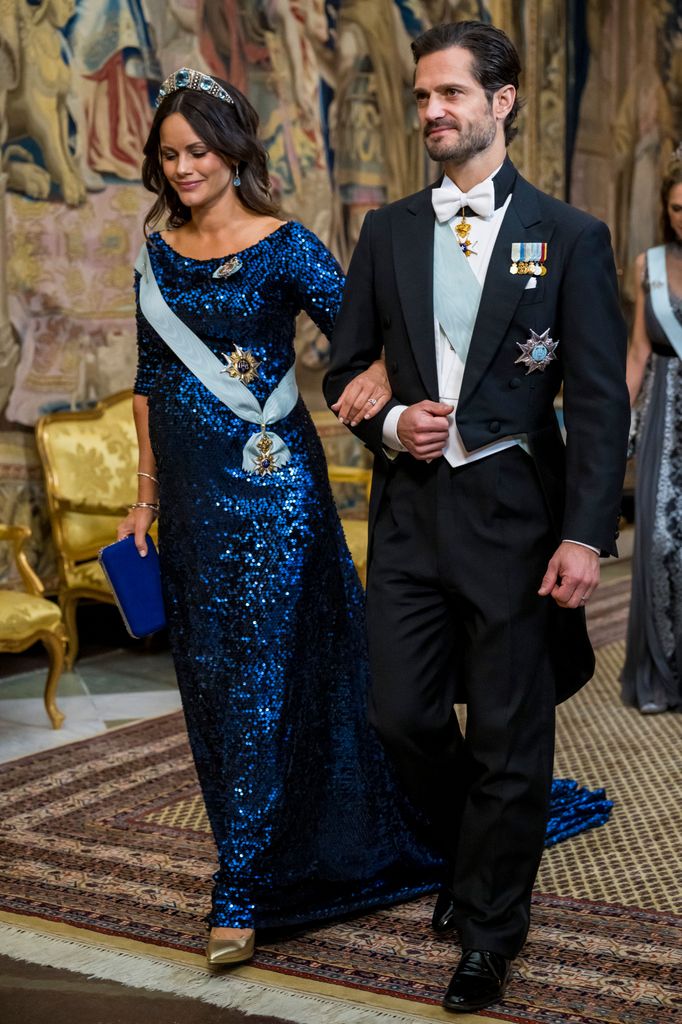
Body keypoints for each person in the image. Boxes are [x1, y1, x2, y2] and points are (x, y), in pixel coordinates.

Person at [325, 21, 630, 1014]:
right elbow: (342, 370)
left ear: (500, 103)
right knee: (400, 714)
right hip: (411, 514)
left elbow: (595, 400)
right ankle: (480, 840)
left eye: (449, 93)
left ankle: (491, 928)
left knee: (509, 733)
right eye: (421, 97)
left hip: (518, 518)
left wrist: (584, 533)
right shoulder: (388, 234)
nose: (430, 112)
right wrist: (391, 422)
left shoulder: (570, 236)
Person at [116, 66, 443, 968]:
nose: (184, 168)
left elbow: (362, 336)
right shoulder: (155, 253)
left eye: (199, 151)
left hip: (272, 494)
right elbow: (148, 382)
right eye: (171, 154)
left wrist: (382, 395)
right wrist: (143, 496)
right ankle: (270, 844)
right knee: (215, 685)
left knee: (263, 675)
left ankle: (241, 888)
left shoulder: (287, 245)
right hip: (188, 503)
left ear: (234, 150)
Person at [622, 152, 682, 714]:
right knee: (661, 542)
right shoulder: (651, 265)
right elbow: (639, 351)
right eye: (678, 208)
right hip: (666, 407)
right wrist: (615, 420)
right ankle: (664, 675)